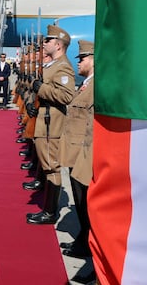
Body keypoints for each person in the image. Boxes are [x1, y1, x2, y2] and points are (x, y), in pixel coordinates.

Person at [24, 25, 74, 225]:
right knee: (46, 165)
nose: (44, 43)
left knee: (52, 167)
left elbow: (67, 95)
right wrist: (32, 103)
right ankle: (47, 207)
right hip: (43, 121)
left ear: (59, 45)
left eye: (48, 40)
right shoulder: (52, 65)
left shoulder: (63, 66)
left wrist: (41, 88)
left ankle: (50, 212)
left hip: (51, 125)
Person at [59, 40, 95, 261]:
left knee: (85, 205)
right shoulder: (86, 85)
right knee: (80, 204)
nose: (79, 62)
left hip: (84, 155)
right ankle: (83, 240)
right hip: (75, 153)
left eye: (82, 58)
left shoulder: (96, 87)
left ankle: (87, 245)